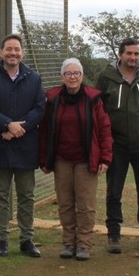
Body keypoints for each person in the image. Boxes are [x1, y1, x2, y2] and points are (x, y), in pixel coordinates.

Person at [95, 38, 139, 255]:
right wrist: (103, 143)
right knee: (113, 191)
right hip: (116, 144)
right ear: (120, 54)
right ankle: (114, 235)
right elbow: (97, 109)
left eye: (137, 54)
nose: (133, 58)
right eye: (129, 54)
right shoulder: (106, 76)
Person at [0, 34, 46, 258]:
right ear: (1, 52)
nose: (13, 53)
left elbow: (39, 109)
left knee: (26, 195)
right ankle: (2, 239)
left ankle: (27, 239)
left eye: (16, 49)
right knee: (0, 195)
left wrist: (20, 129)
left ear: (22, 53)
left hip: (26, 145)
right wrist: (6, 125)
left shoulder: (33, 77)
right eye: (8, 49)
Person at [39, 58, 112, 261]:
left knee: (86, 204)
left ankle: (84, 244)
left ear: (82, 76)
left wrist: (105, 157)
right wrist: (44, 159)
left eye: (76, 73)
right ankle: (68, 243)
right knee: (65, 203)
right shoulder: (52, 99)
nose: (72, 77)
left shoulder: (93, 98)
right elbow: (44, 131)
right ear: (62, 76)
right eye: (68, 73)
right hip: (62, 160)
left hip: (86, 160)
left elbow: (105, 129)